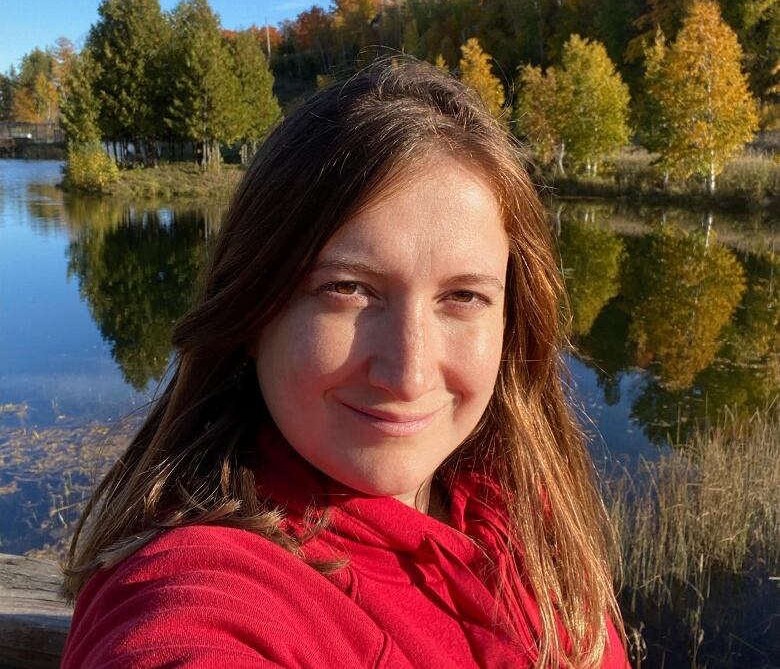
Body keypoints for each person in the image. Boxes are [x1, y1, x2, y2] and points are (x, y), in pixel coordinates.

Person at [60, 58, 629, 668]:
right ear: (253, 309)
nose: (409, 373)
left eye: (463, 296)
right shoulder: (207, 588)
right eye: (347, 289)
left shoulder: (514, 502)